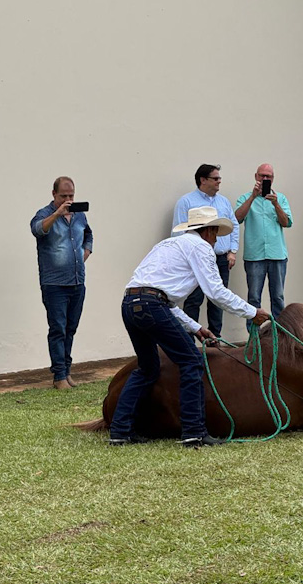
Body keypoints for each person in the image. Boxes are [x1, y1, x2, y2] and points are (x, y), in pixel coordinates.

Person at [109, 206, 270, 448]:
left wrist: (196, 328)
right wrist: (252, 312)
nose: (216, 240)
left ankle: (120, 431)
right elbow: (215, 292)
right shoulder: (201, 247)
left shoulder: (167, 245)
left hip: (131, 304)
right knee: (192, 361)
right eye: (216, 233)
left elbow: (163, 299)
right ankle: (194, 432)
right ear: (209, 231)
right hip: (152, 305)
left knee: (148, 369)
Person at [30, 176, 93, 390]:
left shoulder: (79, 215)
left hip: (77, 281)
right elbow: (37, 229)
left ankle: (66, 372)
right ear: (54, 194)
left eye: (71, 195)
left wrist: (86, 251)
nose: (68, 200)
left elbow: (88, 234)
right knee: (58, 329)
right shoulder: (44, 214)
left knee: (70, 328)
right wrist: (57, 213)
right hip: (54, 284)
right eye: (63, 196)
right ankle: (59, 376)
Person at [172, 164, 239, 337]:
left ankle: (215, 341)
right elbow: (178, 232)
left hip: (221, 258)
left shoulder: (224, 201)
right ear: (203, 180)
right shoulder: (186, 202)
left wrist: (232, 251)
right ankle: (189, 341)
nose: (219, 181)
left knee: (219, 300)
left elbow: (234, 225)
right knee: (194, 300)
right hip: (196, 259)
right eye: (215, 178)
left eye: (219, 178)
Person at [235, 163, 292, 330]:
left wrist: (276, 205)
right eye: (262, 175)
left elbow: (286, 222)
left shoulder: (280, 198)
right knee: (253, 298)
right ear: (256, 176)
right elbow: (236, 218)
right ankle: (254, 336)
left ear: (273, 179)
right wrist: (252, 197)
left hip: (277, 254)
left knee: (278, 297)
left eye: (269, 176)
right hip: (255, 255)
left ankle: (280, 335)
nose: (265, 179)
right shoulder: (245, 198)